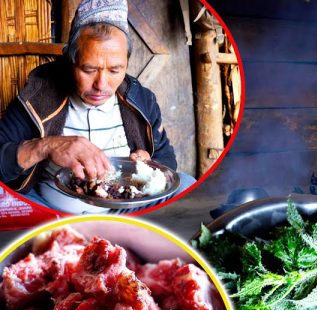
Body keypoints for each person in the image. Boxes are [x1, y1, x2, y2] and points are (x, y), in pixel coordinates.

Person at [0, 0, 194, 213]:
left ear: (126, 64)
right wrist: (45, 146)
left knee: (186, 185)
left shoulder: (141, 99)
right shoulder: (37, 97)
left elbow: (166, 158)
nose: (101, 85)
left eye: (114, 70)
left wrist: (150, 165)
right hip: (51, 210)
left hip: (123, 211)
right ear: (71, 60)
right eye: (89, 69)